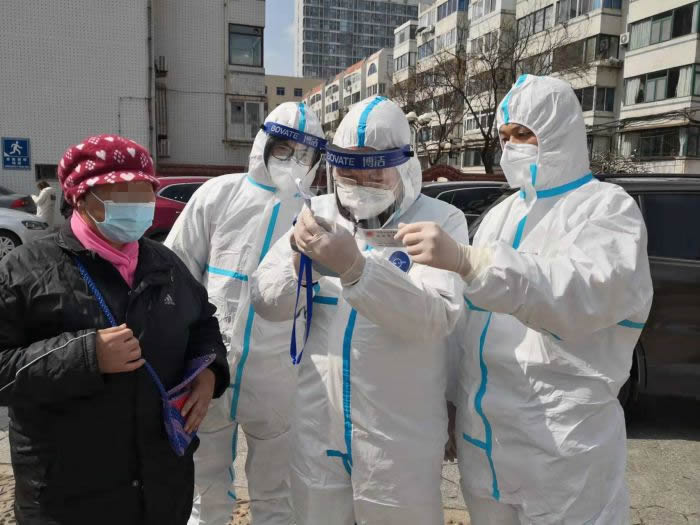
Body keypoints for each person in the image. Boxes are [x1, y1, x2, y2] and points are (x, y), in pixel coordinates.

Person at [395, 75, 653, 524]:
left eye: (524, 134)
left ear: (560, 133)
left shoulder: (605, 209)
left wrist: (472, 261)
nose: (511, 146)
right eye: (505, 136)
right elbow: (466, 325)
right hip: (486, 442)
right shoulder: (501, 214)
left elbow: (581, 293)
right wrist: (452, 401)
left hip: (561, 445)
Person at [250, 96, 469, 524]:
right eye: (347, 170)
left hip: (397, 440)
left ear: (404, 165)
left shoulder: (441, 221)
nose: (359, 181)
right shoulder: (316, 214)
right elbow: (265, 301)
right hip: (319, 429)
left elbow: (438, 317)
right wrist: (297, 265)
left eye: (373, 170)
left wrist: (357, 270)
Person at [0, 134, 230, 525]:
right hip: (67, 496)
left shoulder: (165, 264)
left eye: (142, 192)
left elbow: (203, 324)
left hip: (161, 488)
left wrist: (209, 375)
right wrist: (86, 356)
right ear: (80, 197)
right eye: (118, 194)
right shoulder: (25, 269)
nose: (135, 204)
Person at [165, 102, 326, 525]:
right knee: (204, 486)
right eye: (284, 149)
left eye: (306, 154)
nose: (294, 161)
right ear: (263, 144)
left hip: (280, 376)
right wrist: (182, 354)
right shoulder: (219, 195)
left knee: (277, 491)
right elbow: (177, 273)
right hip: (208, 369)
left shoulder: (317, 214)